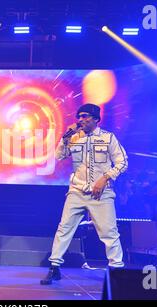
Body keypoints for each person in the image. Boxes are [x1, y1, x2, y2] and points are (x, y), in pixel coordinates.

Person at [41, 103, 128, 285]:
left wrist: (105, 178)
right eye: (79, 116)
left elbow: (122, 162)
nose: (81, 120)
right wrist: (66, 137)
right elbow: (59, 156)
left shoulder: (108, 138)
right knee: (64, 228)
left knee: (109, 231)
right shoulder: (74, 138)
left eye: (85, 116)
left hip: (101, 193)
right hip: (77, 190)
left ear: (96, 119)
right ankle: (54, 267)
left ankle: (117, 270)